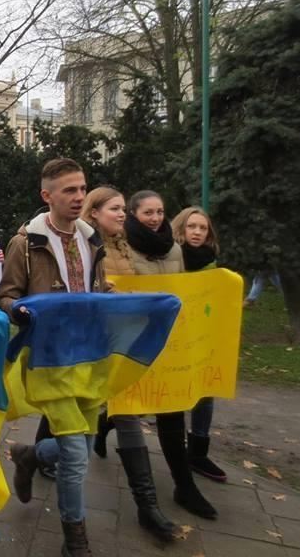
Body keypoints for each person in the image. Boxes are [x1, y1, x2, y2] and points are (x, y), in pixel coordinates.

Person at [0, 158, 110, 557]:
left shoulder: (92, 238)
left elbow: (97, 288)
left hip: (91, 355)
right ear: (47, 196)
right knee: (77, 456)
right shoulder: (25, 243)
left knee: (83, 439)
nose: (79, 196)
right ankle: (75, 538)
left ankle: (29, 455)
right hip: (50, 357)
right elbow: (7, 294)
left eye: (82, 188)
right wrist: (19, 311)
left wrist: (120, 304)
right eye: (69, 190)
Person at [80, 187, 180, 542]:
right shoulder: (84, 244)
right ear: (94, 212)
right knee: (69, 426)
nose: (123, 215)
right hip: (94, 345)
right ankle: (31, 454)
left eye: (124, 208)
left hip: (124, 343)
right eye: (115, 209)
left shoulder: (125, 244)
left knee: (126, 412)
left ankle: (146, 505)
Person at [125, 190, 217, 520]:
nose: (155, 218)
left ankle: (184, 486)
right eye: (147, 212)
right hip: (132, 343)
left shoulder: (174, 249)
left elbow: (182, 291)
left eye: (160, 211)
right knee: (119, 408)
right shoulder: (123, 247)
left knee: (171, 411)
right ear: (133, 213)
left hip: (167, 343)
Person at [171, 206, 227, 483]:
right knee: (159, 397)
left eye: (202, 228)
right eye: (192, 226)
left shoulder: (210, 263)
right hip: (171, 339)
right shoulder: (169, 257)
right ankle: (107, 423)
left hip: (200, 337)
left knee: (204, 392)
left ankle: (198, 452)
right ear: (180, 229)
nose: (197, 232)